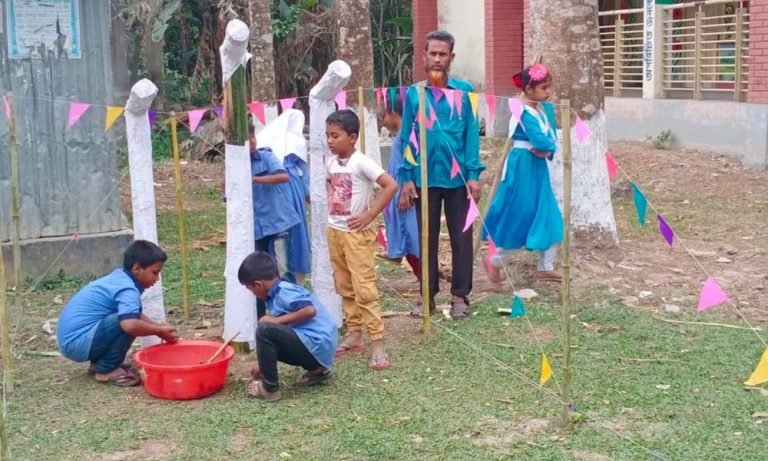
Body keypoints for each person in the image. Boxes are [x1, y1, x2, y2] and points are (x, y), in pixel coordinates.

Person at [398, 30, 485, 319]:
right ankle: (427, 295)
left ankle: (460, 295)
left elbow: (472, 134)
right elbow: (406, 137)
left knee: (462, 236)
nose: (437, 59)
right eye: (432, 53)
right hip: (424, 178)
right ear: (424, 56)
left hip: (458, 178)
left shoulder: (464, 92)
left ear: (451, 57)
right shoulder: (414, 94)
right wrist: (407, 176)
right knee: (426, 238)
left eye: (442, 54)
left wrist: (473, 173)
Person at [325, 109, 398, 370]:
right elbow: (331, 188)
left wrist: (369, 214)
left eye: (335, 136)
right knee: (344, 285)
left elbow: (390, 185)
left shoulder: (361, 162)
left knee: (364, 286)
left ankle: (377, 342)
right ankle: (354, 334)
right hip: (335, 232)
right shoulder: (331, 162)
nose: (330, 141)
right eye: (328, 136)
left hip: (357, 235)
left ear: (352, 137)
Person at [56, 240, 179, 387]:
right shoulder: (128, 289)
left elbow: (135, 315)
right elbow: (130, 325)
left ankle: (98, 364)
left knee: (128, 319)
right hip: (77, 342)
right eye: (155, 272)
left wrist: (159, 329)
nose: (157, 279)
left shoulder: (120, 278)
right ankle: (106, 370)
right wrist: (158, 330)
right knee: (128, 324)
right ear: (137, 269)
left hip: (75, 341)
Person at [483, 63, 564, 284]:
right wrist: (547, 146)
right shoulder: (523, 111)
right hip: (522, 167)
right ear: (529, 89)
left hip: (537, 167)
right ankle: (494, 260)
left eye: (549, 87)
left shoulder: (541, 110)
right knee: (520, 214)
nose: (548, 92)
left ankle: (545, 266)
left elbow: (550, 139)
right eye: (544, 88)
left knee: (549, 215)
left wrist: (549, 148)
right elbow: (540, 139)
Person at [239, 252, 337, 402]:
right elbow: (280, 339)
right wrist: (263, 365)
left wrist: (275, 321)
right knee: (270, 331)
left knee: (265, 329)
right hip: (319, 350)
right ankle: (317, 370)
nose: (253, 293)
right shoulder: (277, 294)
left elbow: (309, 310)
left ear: (258, 284)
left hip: (317, 344)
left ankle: (270, 389)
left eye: (250, 289)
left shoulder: (284, 290)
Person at [248, 123, 302, 317]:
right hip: (255, 227)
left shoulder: (266, 156)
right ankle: (262, 316)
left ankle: (293, 311)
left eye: (253, 138)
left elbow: (282, 176)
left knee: (284, 268)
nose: (252, 143)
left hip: (279, 220)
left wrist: (255, 179)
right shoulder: (234, 165)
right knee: (256, 273)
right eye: (247, 140)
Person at [256, 110, 311, 285]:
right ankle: (290, 276)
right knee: (292, 232)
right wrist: (308, 193)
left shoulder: (267, 145)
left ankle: (284, 276)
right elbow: (304, 172)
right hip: (292, 189)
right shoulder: (297, 143)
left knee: (286, 232)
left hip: (276, 190)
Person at [382, 92, 421, 281]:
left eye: (384, 114)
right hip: (397, 195)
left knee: (411, 240)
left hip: (403, 196)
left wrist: (404, 195)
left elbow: (407, 169)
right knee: (407, 240)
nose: (383, 120)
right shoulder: (399, 136)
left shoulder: (404, 138)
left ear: (393, 113)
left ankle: (426, 284)